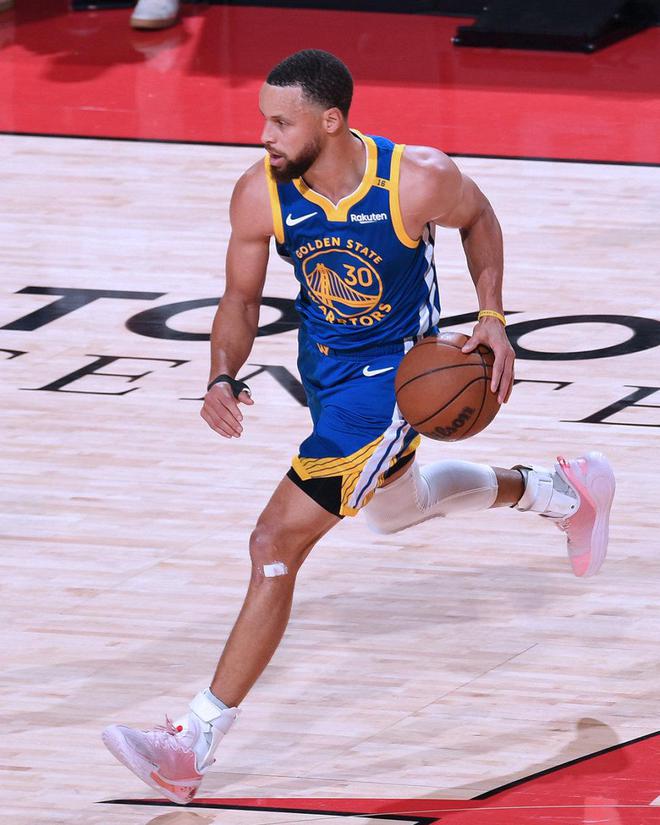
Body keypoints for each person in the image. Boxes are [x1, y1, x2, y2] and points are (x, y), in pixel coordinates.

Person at [102, 49, 615, 806]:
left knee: (274, 543)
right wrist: (220, 373)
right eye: (264, 120)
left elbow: (479, 217)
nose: (265, 136)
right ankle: (560, 491)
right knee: (392, 512)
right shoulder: (261, 192)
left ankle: (191, 742)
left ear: (332, 120)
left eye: (282, 123)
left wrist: (493, 316)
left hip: (393, 386)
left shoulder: (415, 178)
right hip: (325, 373)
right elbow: (239, 301)